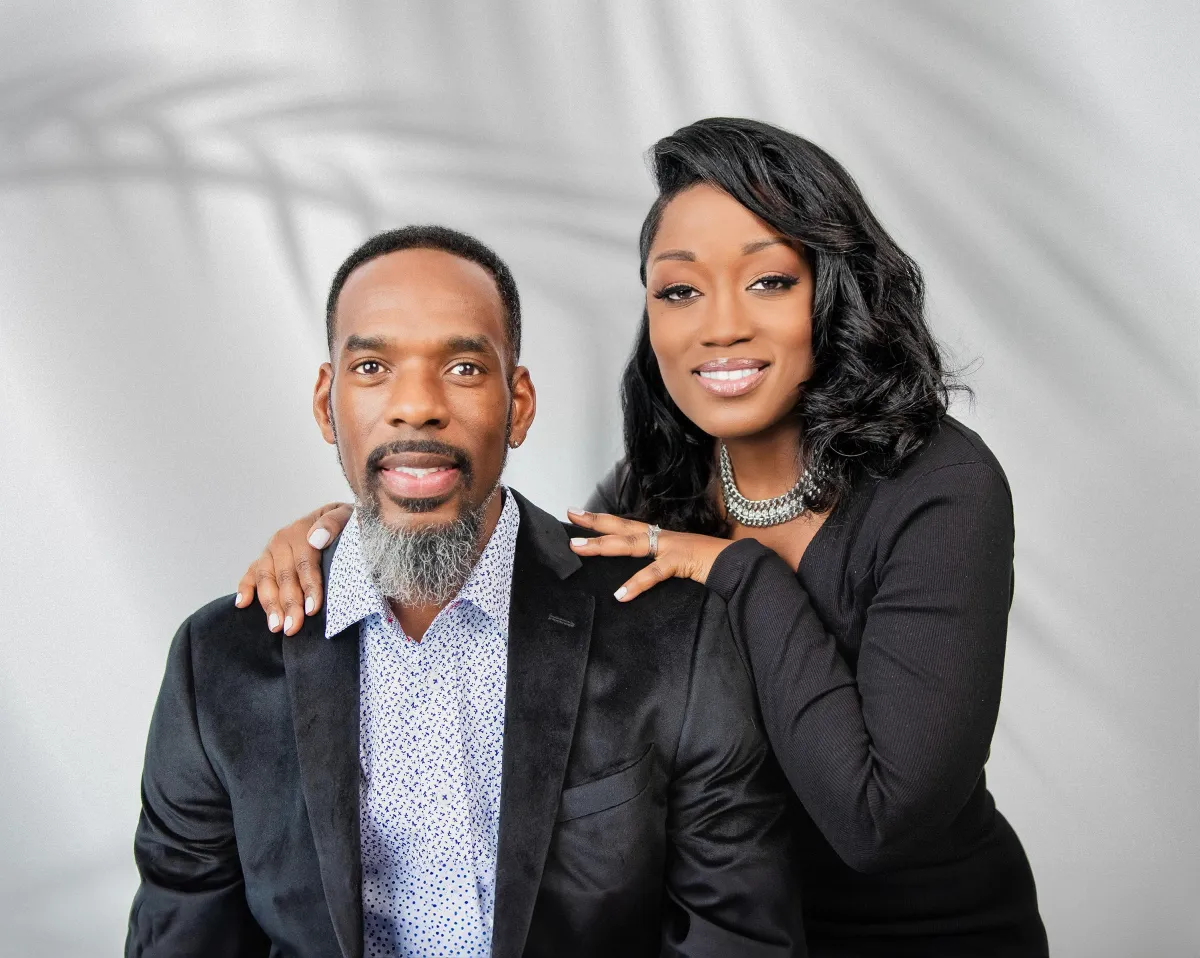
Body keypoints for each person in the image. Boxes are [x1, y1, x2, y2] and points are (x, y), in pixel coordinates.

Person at [239, 119, 1049, 956]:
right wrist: (354, 534)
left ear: (833, 292)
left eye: (769, 281)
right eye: (680, 291)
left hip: (920, 936)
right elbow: (528, 579)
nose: (721, 326)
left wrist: (740, 572)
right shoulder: (657, 483)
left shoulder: (940, 486)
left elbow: (878, 823)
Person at [126, 225, 805, 958]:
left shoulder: (673, 635)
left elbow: (740, 937)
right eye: (373, 366)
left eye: (463, 367)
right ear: (327, 404)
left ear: (519, 404)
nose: (416, 406)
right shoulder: (216, 663)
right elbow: (181, 939)